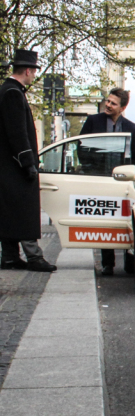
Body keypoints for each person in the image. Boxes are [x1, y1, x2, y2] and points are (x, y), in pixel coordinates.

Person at [0, 49, 56, 272]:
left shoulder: (8, 90)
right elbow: (17, 132)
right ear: (27, 70)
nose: (34, 76)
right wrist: (28, 163)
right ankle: (34, 257)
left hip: (7, 165)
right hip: (15, 165)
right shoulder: (13, 93)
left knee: (9, 211)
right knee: (24, 210)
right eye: (34, 71)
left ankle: (11, 257)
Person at [81, 87, 135, 276]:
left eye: (113, 103)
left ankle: (130, 263)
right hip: (102, 178)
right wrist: (91, 169)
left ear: (122, 108)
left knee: (127, 221)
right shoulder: (93, 121)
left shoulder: (131, 128)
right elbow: (81, 147)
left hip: (123, 181)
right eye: (108, 101)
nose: (108, 105)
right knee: (106, 220)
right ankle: (108, 264)